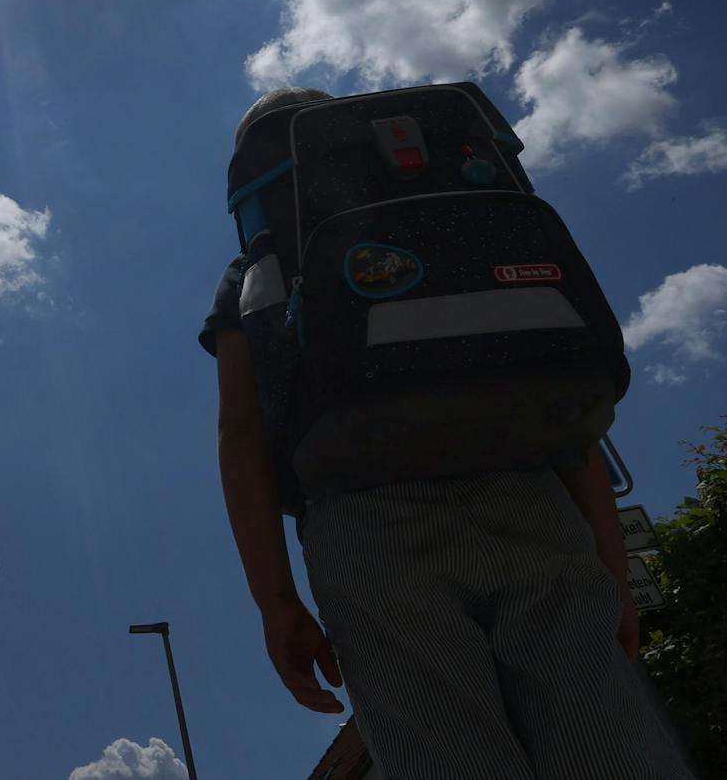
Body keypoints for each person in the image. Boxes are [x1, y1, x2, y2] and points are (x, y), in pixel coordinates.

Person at [202, 87, 695, 779]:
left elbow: (240, 434)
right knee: (608, 751)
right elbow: (561, 408)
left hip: (364, 522)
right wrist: (611, 569)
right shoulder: (473, 226)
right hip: (527, 488)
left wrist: (276, 602)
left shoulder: (254, 272)